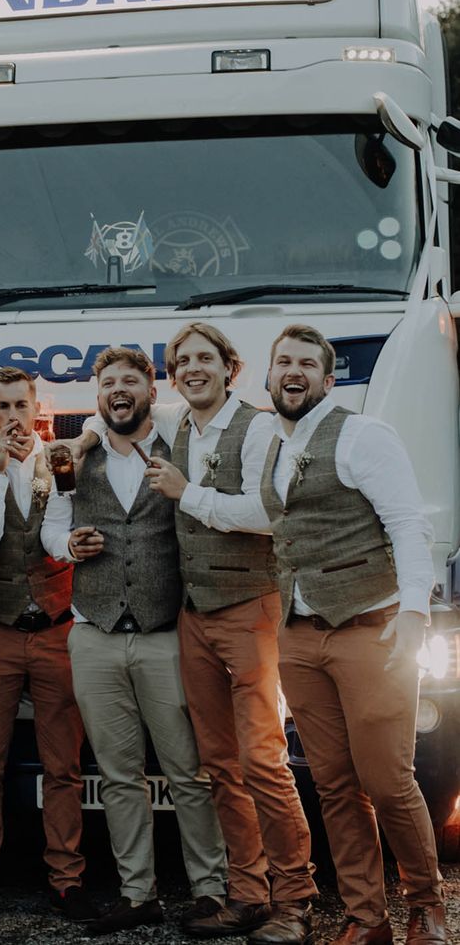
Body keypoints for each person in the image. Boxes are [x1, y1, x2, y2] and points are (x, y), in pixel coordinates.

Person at [192, 323, 446, 945]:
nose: (293, 371)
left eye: (306, 363)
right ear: (268, 376)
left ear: (328, 380)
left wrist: (414, 615)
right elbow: (263, 516)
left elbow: (408, 525)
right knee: (334, 785)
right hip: (300, 638)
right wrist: (189, 495)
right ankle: (367, 918)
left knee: (388, 781)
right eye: (283, 363)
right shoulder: (275, 449)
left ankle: (425, 905)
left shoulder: (364, 435)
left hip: (372, 630)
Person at [81, 322, 316, 943]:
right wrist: (82, 434)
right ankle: (246, 893)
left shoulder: (260, 426)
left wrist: (192, 495)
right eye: (181, 361)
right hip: (193, 619)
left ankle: (295, 899)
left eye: (203, 359)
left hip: (250, 609)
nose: (192, 369)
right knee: (219, 765)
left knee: (263, 759)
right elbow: (113, 411)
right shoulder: (176, 424)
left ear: (230, 368)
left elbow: (271, 513)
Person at [41, 346, 228, 936]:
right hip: (94, 635)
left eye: (129, 381)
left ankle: (210, 890)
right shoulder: (75, 460)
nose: (117, 390)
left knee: (187, 770)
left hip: (165, 634)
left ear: (151, 389)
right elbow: (52, 524)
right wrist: (66, 547)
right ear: (97, 395)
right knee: (119, 774)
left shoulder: (180, 446)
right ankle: (137, 892)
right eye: (107, 384)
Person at [0, 367, 95, 924]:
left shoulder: (61, 462)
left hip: (56, 630)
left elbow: (59, 534)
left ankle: (67, 878)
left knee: (63, 765)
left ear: (37, 406)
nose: (12, 416)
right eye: (2, 407)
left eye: (21, 404)